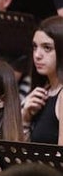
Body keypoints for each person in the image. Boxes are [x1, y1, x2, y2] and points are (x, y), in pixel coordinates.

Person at [23, 15, 63, 144]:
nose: (37, 55)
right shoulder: (44, 90)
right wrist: (25, 118)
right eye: (35, 47)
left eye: (47, 48)